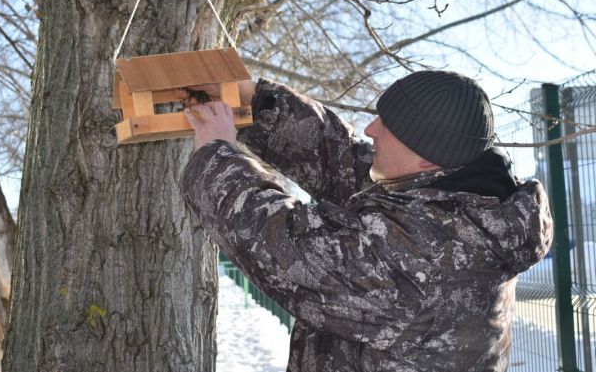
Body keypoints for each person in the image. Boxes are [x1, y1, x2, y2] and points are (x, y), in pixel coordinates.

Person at [178, 71, 553, 372]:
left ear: (426, 157)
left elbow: (287, 248)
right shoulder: (448, 196)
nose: (372, 128)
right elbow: (340, 157)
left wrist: (216, 153)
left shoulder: (425, 256)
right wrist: (258, 101)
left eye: (387, 126)